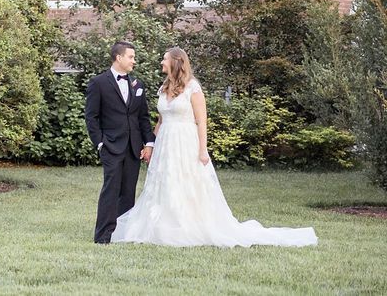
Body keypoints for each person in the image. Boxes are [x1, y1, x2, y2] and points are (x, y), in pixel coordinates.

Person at [110, 47, 318, 247]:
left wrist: (203, 149)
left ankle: (187, 225)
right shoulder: (164, 88)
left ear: (176, 62)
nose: (161, 62)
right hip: (166, 142)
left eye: (164, 59)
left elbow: (202, 121)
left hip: (185, 142)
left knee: (186, 181)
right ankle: (162, 224)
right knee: (164, 180)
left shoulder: (193, 88)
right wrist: (151, 144)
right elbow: (161, 119)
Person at [84, 41, 155, 244]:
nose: (134, 60)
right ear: (119, 58)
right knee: (111, 190)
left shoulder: (137, 85)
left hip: (133, 148)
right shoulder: (98, 83)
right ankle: (103, 236)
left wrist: (148, 143)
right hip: (111, 146)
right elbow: (91, 117)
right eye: (131, 57)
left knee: (128, 192)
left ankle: (123, 234)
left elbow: (143, 117)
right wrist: (99, 143)